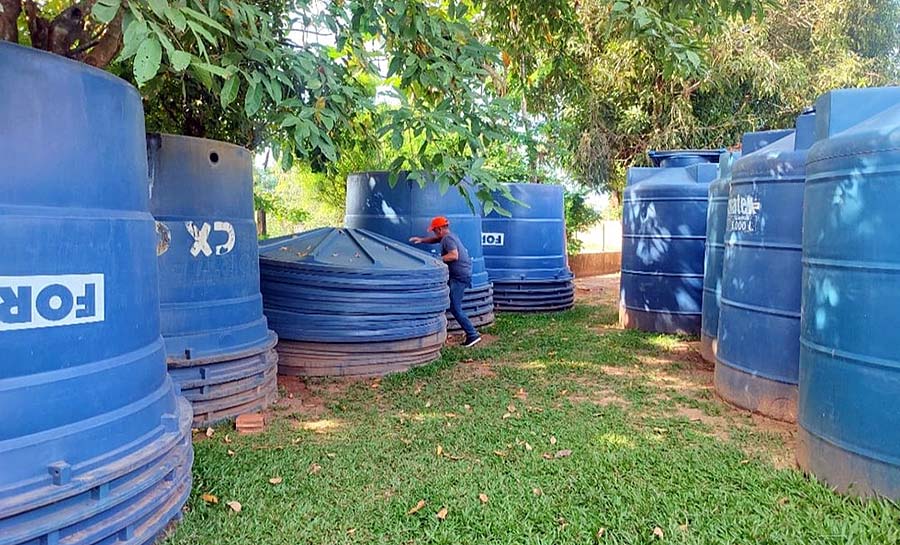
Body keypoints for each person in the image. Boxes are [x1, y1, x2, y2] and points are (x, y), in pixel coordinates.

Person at [410, 216, 482, 347]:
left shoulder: (448, 239)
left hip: (459, 277)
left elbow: (454, 255)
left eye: (434, 230)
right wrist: (422, 240)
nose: (433, 233)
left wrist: (437, 259)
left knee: (455, 307)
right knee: (447, 301)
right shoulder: (448, 236)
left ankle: (472, 334)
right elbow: (436, 239)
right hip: (459, 275)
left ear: (439, 229)